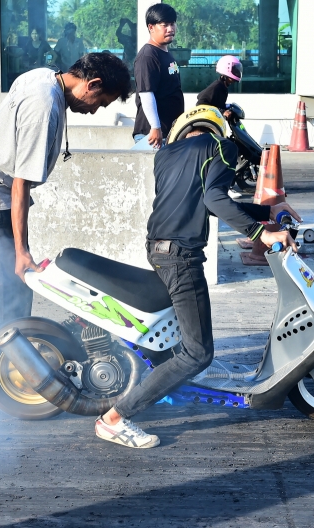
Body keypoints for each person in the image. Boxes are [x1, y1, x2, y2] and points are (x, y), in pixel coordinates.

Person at [94, 105, 301, 448]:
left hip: (158, 250)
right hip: (181, 257)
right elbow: (215, 198)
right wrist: (259, 232)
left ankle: (184, 378)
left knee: (186, 340)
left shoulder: (165, 156)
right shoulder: (222, 147)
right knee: (197, 353)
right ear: (217, 130)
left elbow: (200, 202)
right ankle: (115, 418)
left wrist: (267, 211)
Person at [0, 53, 132, 349]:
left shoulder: (43, 75)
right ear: (92, 84)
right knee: (8, 290)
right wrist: (22, 251)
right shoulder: (44, 106)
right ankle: (0, 365)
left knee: (6, 288)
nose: (94, 112)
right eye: (101, 102)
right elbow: (20, 184)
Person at [132, 4, 184, 148]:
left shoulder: (165, 53)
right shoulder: (148, 56)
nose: (170, 29)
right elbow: (146, 93)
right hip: (152, 136)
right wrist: (155, 127)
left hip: (168, 133)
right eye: (165, 25)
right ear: (151, 27)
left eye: (172, 24)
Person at [196, 55, 242, 119]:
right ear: (227, 70)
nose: (237, 73)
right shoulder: (216, 86)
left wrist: (228, 107)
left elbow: (216, 104)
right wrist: (222, 111)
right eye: (235, 70)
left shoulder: (223, 87)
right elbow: (201, 104)